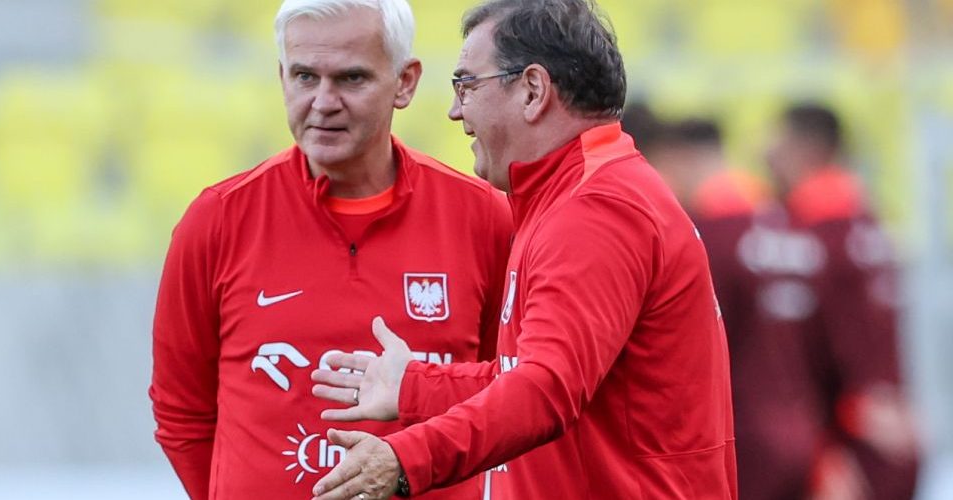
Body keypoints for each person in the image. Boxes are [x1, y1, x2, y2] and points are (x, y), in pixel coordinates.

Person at [306, 1, 738, 498]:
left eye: (467, 85)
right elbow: (530, 376)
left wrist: (406, 458)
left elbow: (545, 389)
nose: (455, 111)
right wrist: (414, 386)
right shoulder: (576, 196)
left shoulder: (595, 209)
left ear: (533, 90)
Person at [148, 0, 513, 498]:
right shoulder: (216, 220)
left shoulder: (485, 218)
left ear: (404, 82)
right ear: (282, 78)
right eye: (305, 77)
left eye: (351, 78)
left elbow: (510, 396)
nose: (323, 102)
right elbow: (181, 413)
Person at [650, 117, 826, 500]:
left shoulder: (708, 237)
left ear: (680, 159)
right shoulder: (786, 225)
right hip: (802, 427)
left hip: (741, 430)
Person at [764, 104, 919, 500]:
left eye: (777, 144)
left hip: (844, 445)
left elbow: (803, 355)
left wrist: (826, 449)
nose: (767, 155)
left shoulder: (808, 234)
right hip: (890, 431)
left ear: (807, 150)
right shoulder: (868, 223)